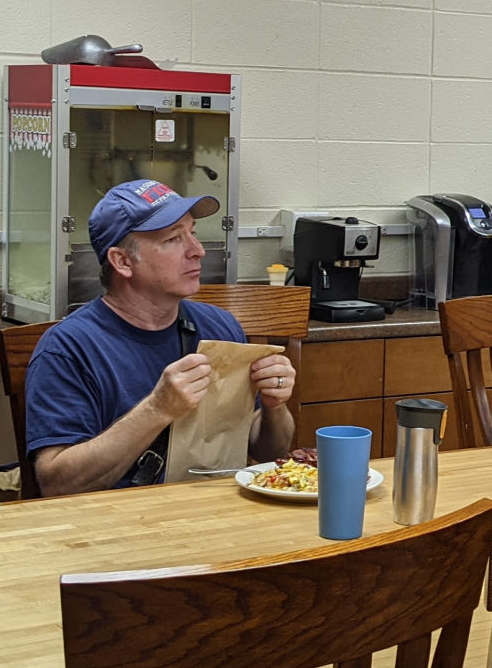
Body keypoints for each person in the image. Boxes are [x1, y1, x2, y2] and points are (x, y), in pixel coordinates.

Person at [24, 179, 295, 496]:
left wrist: (276, 408)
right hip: (115, 525)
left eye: (192, 233)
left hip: (213, 512)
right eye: (173, 239)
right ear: (123, 261)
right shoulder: (68, 348)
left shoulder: (221, 327)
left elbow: (267, 452)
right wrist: (157, 409)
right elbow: (56, 484)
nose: (198, 251)